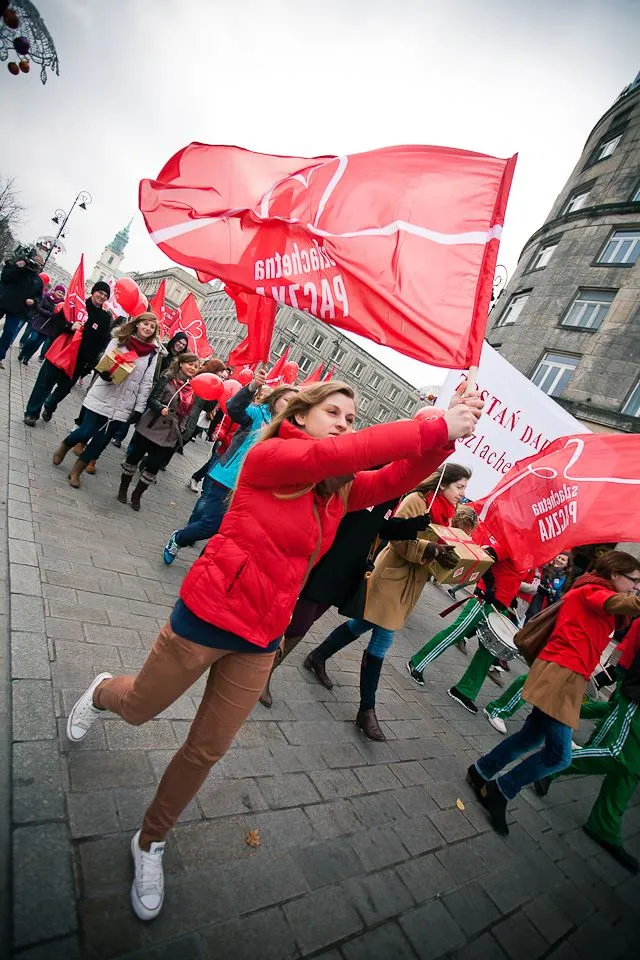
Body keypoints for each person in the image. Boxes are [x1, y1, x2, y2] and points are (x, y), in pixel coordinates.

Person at [65, 380, 482, 921]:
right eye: (332, 411)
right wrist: (433, 423)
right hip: (209, 616)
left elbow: (392, 478)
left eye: (351, 417)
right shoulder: (272, 457)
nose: (343, 423)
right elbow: (345, 452)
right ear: (301, 416)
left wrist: (444, 439)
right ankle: (101, 691)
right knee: (140, 709)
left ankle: (151, 839)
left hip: (262, 636)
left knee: (206, 749)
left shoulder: (335, 492)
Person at [467, 550, 640, 836]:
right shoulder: (593, 589)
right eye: (633, 580)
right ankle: (500, 790)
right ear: (614, 574)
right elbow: (614, 601)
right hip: (562, 674)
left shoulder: (594, 590)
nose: (636, 585)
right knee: (560, 757)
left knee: (531, 736)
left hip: (567, 675)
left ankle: (481, 771)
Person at [303, 464, 472, 740]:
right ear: (443, 484)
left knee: (362, 624)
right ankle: (366, 710)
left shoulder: (447, 513)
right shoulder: (417, 501)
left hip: (410, 585)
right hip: (391, 579)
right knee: (383, 638)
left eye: (465, 488)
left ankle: (317, 656)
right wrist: (429, 549)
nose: (463, 494)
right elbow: (396, 540)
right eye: (460, 487)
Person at [259, 488, 456, 707]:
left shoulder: (393, 493)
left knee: (306, 622)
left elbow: (380, 527)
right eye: (459, 486)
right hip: (326, 557)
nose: (462, 492)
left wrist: (411, 527)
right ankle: (262, 671)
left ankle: (269, 667)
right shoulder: (373, 475)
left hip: (346, 569)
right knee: (299, 624)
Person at [162, 374, 296, 564]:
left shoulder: (288, 429)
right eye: (287, 400)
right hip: (227, 478)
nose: (290, 405)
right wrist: (251, 387)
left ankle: (204, 563)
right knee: (210, 525)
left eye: (294, 404)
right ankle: (179, 538)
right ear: (276, 398)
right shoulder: (258, 413)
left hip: (251, 488)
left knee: (227, 530)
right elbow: (233, 408)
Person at [406, 531, 527, 700]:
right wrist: (490, 587)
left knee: (488, 653)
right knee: (456, 633)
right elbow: (485, 556)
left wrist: (511, 598)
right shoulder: (514, 541)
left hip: (500, 607)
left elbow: (510, 576)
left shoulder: (531, 554)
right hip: (484, 600)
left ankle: (464, 691)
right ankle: (417, 662)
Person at [50, 313, 160, 487]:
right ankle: (66, 444)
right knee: (86, 431)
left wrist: (139, 408)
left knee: (100, 440)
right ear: (137, 324)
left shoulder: (152, 354)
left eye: (152, 327)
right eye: (145, 324)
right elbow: (104, 360)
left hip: (124, 404)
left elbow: (146, 383)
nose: (147, 328)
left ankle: (76, 471)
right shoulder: (120, 339)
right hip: (103, 394)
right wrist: (106, 373)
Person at [117, 351, 199, 510]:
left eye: (196, 366)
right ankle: (123, 487)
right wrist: (160, 407)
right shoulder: (168, 377)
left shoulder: (193, 388)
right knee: (134, 458)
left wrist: (181, 430)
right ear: (181, 363)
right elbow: (152, 398)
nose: (192, 368)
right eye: (190, 364)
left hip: (169, 433)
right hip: (151, 425)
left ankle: (137, 495)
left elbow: (188, 413)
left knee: (153, 466)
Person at [23, 281, 112, 425]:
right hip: (61, 350)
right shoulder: (76, 305)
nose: (102, 296)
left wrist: (88, 365)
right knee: (44, 383)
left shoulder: (105, 317)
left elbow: (102, 342)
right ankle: (32, 413)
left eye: (105, 295)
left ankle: (50, 405)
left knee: (64, 389)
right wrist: (70, 326)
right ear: (94, 291)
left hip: (80, 360)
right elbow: (57, 323)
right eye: (100, 292)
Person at [0, 250, 44, 367]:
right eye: (37, 262)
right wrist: (18, 266)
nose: (38, 266)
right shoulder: (19, 267)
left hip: (18, 310)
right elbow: (5, 277)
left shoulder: (38, 281)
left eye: (41, 265)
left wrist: (34, 301)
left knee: (9, 333)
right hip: (3, 300)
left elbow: (39, 298)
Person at [18, 283, 66, 365]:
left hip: (49, 328)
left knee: (37, 344)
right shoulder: (47, 297)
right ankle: (23, 352)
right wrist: (48, 313)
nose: (60, 294)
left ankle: (27, 357)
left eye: (62, 293)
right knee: (33, 339)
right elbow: (39, 307)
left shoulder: (62, 304)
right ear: (55, 291)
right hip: (39, 322)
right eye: (59, 292)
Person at [524, 552, 573, 622]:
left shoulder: (564, 578)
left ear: (566, 565)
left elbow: (556, 591)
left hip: (544, 604)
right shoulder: (546, 567)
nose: (559, 560)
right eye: (558, 557)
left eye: (563, 559)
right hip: (531, 597)